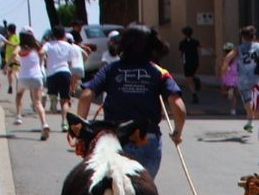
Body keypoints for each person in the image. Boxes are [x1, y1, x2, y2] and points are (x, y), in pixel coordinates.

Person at [76, 23, 185, 178]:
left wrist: (82, 132)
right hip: (147, 140)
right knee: (143, 191)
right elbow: (179, 107)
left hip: (115, 140)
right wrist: (177, 133)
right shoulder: (159, 72)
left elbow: (86, 97)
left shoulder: (110, 70)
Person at [12, 30, 50, 139]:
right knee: (37, 103)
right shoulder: (36, 47)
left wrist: (10, 63)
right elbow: (43, 53)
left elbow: (14, 54)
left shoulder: (20, 47)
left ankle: (18, 116)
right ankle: (44, 124)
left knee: (19, 94)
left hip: (23, 77)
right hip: (37, 77)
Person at [234, 26, 259, 134]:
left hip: (244, 79)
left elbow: (228, 57)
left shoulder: (239, 48)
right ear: (254, 37)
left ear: (242, 37)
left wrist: (224, 67)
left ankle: (250, 120)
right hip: (257, 77)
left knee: (247, 99)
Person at [40, 27, 72, 114]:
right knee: (65, 100)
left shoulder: (48, 45)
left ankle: (53, 102)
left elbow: (41, 52)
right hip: (65, 72)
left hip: (52, 73)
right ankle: (64, 122)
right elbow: (70, 62)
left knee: (52, 93)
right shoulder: (68, 46)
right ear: (64, 35)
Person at [178, 26, 203, 104]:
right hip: (195, 62)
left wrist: (181, 60)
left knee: (188, 80)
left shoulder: (182, 43)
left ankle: (194, 94)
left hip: (187, 63)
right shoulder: (195, 41)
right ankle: (194, 80)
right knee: (191, 77)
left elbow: (181, 54)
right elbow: (199, 51)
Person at [64, 32, 86, 115]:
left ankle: (68, 99)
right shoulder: (77, 47)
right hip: (80, 67)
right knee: (74, 84)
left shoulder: (67, 47)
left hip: (71, 67)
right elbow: (87, 54)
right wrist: (83, 62)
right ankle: (71, 94)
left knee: (69, 84)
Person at [219, 41, 241, 121]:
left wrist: (220, 76)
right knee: (235, 96)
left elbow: (221, 69)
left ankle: (228, 93)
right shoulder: (237, 60)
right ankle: (233, 110)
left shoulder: (225, 59)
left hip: (226, 78)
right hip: (235, 78)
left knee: (224, 93)